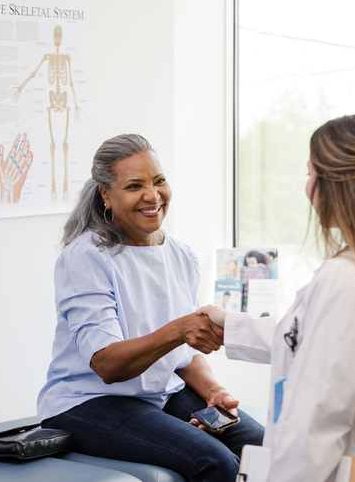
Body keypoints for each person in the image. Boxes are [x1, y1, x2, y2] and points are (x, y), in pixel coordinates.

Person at [199, 115, 355, 481]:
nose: (308, 187)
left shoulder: (347, 281)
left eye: (312, 175)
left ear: (341, 187)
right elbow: (310, 340)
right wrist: (231, 325)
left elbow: (313, 432)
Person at [38, 133, 264, 481]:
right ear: (105, 195)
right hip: (87, 402)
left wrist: (213, 390)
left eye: (159, 181)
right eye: (134, 185)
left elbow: (184, 357)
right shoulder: (86, 258)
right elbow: (107, 364)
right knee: (214, 462)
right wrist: (179, 329)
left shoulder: (180, 255)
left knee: (262, 448)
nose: (152, 195)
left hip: (159, 395)